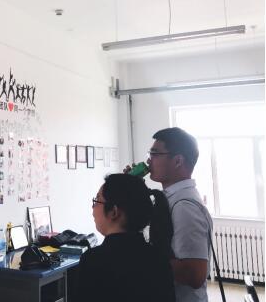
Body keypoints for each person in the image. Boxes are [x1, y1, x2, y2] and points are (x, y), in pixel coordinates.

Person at [75, 173, 175, 302]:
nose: (93, 207)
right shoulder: (159, 257)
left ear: (114, 212)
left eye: (97, 200)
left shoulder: (93, 260)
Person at [147, 127, 213, 302]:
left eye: (155, 154)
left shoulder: (184, 206)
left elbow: (194, 275)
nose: (148, 160)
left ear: (177, 161)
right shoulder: (172, 199)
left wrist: (141, 253)